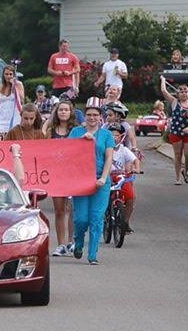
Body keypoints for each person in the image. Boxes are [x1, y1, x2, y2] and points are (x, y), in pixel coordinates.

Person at [68, 97, 114, 265]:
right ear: (84, 116)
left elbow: (109, 157)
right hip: (80, 181)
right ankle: (78, 242)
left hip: (100, 180)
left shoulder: (107, 135)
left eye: (95, 115)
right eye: (89, 114)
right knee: (81, 219)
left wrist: (103, 177)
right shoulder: (75, 133)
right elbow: (68, 155)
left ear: (100, 117)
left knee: (96, 217)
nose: (92, 118)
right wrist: (82, 141)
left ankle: (92, 254)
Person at [43, 101, 78, 257]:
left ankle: (71, 241)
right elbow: (44, 146)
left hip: (72, 174)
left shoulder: (76, 130)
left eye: (66, 110)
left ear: (71, 112)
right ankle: (61, 244)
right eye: (60, 110)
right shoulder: (51, 131)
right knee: (59, 210)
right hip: (57, 175)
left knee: (72, 209)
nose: (63, 112)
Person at [161, 76, 188, 185]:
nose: (184, 93)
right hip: (176, 132)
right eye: (181, 92)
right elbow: (164, 90)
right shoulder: (174, 102)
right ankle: (177, 178)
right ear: (178, 94)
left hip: (187, 133)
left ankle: (185, 171)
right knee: (178, 155)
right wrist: (163, 80)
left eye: (186, 91)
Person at [108, 122, 140, 233]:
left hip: (121, 177)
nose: (114, 137)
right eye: (111, 134)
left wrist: (136, 168)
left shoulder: (123, 149)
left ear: (121, 137)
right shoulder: (103, 148)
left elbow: (135, 160)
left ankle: (125, 222)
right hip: (106, 177)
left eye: (116, 135)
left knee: (131, 197)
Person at [0, 65, 24, 138]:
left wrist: (15, 87)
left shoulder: (18, 85)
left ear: (13, 75)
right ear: (3, 75)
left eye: (10, 74)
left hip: (14, 116)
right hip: (2, 117)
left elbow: (22, 100)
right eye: (6, 74)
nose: (8, 76)